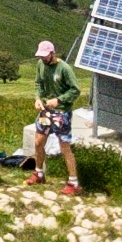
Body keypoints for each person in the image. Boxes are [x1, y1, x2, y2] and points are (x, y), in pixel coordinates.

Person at [28, 39, 85, 194]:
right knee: (38, 141)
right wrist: (38, 98)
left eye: (45, 56)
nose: (43, 58)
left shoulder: (64, 68)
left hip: (61, 112)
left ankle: (73, 182)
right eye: (41, 56)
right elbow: (38, 83)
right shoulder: (40, 65)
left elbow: (75, 90)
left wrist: (59, 100)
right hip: (46, 110)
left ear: (53, 53)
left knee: (64, 146)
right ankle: (39, 173)